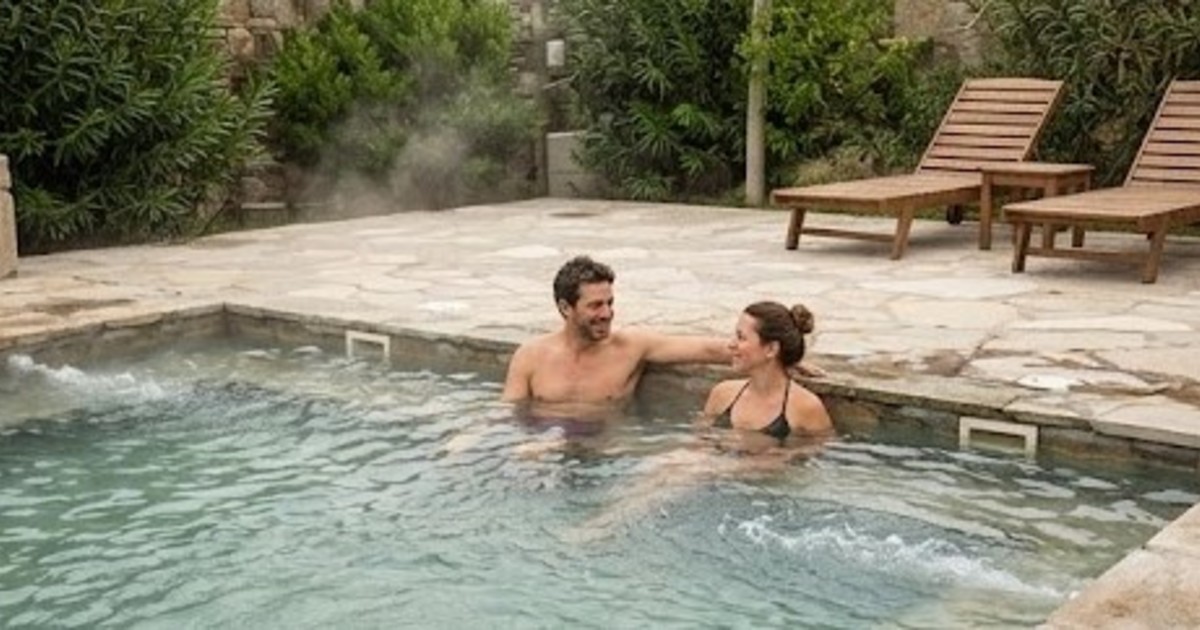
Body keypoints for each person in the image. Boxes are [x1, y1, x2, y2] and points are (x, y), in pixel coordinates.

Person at [501, 255, 729, 419]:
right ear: (565, 308)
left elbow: (707, 350)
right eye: (595, 305)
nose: (607, 314)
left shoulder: (630, 347)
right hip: (547, 449)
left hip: (608, 454)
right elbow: (509, 416)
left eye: (609, 303)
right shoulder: (530, 356)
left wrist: (752, 351)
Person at [702, 301, 833, 442]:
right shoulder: (722, 394)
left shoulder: (806, 407)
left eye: (741, 337)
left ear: (771, 349)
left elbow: (819, 449)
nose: (731, 344)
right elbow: (700, 445)